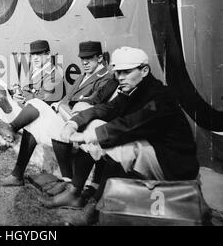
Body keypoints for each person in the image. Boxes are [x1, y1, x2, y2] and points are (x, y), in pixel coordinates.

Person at [43, 46, 199, 226]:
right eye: (118, 73)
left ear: (145, 70)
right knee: (96, 127)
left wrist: (87, 137)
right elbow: (106, 109)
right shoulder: (134, 89)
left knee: (118, 147)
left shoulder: (160, 96)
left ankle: (96, 208)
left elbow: (130, 125)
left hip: (174, 166)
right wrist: (74, 122)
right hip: (153, 153)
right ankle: (75, 192)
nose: (120, 77)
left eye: (126, 72)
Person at [0, 41, 118, 189]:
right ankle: (18, 175)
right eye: (82, 59)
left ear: (100, 58)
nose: (84, 62)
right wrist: (59, 104)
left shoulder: (106, 78)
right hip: (65, 117)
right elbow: (68, 97)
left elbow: (92, 103)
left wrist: (63, 106)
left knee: (37, 104)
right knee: (33, 124)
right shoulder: (83, 76)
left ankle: (11, 129)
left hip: (79, 124)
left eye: (89, 58)